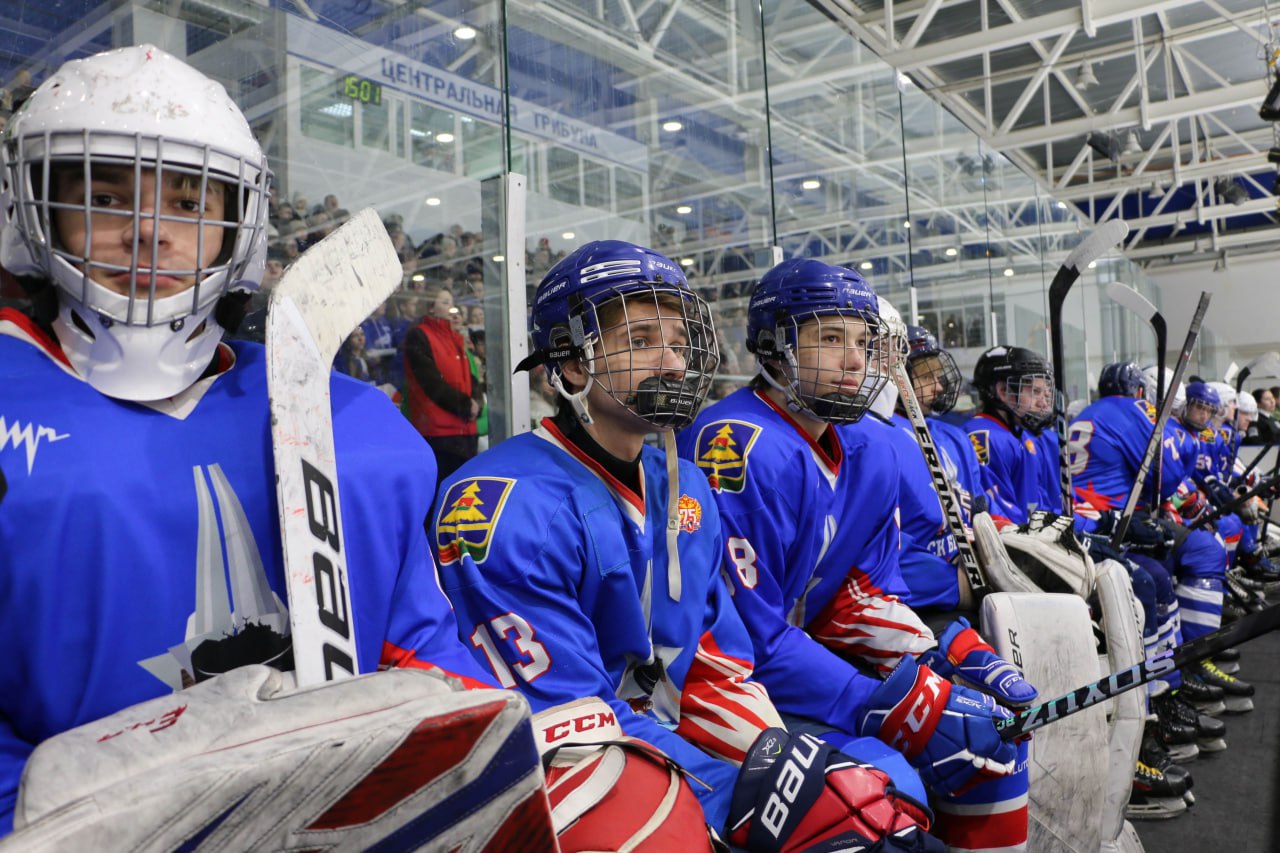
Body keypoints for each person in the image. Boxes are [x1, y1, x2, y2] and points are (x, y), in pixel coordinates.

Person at [0, 45, 495, 837]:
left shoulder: (355, 424)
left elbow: (421, 648)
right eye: (103, 194)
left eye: (191, 203)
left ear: (241, 225)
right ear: (34, 210)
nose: (149, 232)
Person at [433, 241, 943, 850]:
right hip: (566, 776)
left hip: (662, 740)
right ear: (571, 365)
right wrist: (738, 798)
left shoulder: (683, 483)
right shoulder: (506, 505)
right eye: (644, 340)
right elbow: (568, 726)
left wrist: (787, 771)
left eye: (678, 342)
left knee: (881, 793)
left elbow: (714, 667)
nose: (674, 364)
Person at [679, 258, 1032, 852]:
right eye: (830, 338)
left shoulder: (871, 446)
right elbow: (750, 638)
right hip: (723, 683)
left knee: (991, 743)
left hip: (790, 664)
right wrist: (872, 701)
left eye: (864, 344)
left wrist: (939, 650)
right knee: (881, 793)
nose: (855, 361)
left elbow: (855, 593)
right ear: (773, 348)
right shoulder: (736, 446)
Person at [965, 346, 1055, 526]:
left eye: (1045, 393)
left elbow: (1037, 501)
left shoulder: (1021, 435)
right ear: (1003, 392)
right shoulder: (983, 437)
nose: (1043, 403)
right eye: (1035, 392)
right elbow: (998, 512)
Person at [403, 285, 483, 482]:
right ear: (431, 307)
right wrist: (466, 405)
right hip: (439, 435)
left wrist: (476, 402)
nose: (451, 307)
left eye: (452, 303)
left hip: (465, 431)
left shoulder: (456, 337)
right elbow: (431, 383)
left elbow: (470, 377)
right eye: (445, 302)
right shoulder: (419, 336)